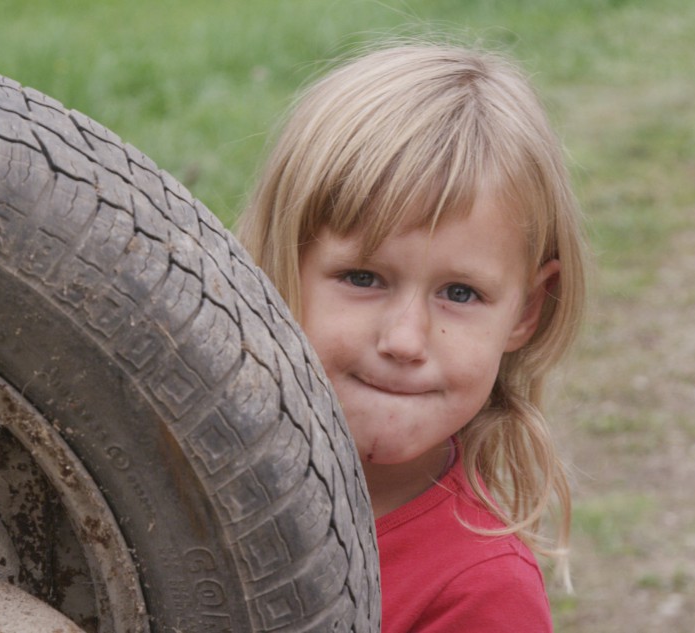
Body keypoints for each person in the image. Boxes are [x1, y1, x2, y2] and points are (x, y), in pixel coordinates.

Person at [238, 42, 587, 632]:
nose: (405, 340)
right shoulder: (165, 471)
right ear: (278, 267)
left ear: (527, 310)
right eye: (364, 278)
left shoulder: (481, 593)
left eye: (459, 293)